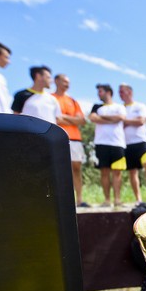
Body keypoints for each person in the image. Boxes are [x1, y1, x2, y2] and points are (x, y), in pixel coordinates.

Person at [53, 73, 88, 207]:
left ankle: (79, 199)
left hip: (74, 138)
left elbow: (82, 120)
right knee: (58, 168)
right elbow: (55, 119)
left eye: (68, 82)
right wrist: (71, 119)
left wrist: (64, 118)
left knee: (76, 168)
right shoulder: (50, 98)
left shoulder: (73, 101)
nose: (67, 84)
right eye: (64, 81)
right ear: (56, 81)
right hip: (57, 137)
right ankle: (61, 200)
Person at [90, 83, 127, 207]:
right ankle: (107, 200)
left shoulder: (119, 106)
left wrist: (102, 117)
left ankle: (117, 199)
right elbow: (93, 118)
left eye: (100, 91)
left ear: (108, 92)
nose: (98, 94)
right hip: (101, 143)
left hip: (117, 143)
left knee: (117, 172)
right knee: (104, 172)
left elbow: (120, 117)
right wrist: (111, 119)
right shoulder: (96, 106)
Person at [120, 84, 146, 204]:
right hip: (126, 143)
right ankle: (138, 199)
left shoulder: (140, 106)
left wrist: (124, 120)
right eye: (119, 92)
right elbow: (117, 124)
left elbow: (141, 121)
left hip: (142, 141)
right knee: (132, 171)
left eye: (122, 91)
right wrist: (130, 121)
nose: (120, 94)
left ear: (130, 92)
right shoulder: (120, 108)